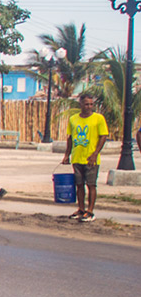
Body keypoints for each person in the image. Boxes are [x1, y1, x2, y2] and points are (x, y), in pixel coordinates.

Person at [62, 92, 109, 222]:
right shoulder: (73, 119)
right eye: (86, 104)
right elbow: (70, 138)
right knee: (79, 185)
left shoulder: (98, 118)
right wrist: (67, 155)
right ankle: (81, 208)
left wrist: (95, 154)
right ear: (81, 104)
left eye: (91, 104)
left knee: (91, 185)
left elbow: (103, 136)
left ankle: (90, 211)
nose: (89, 107)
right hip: (77, 157)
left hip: (91, 159)